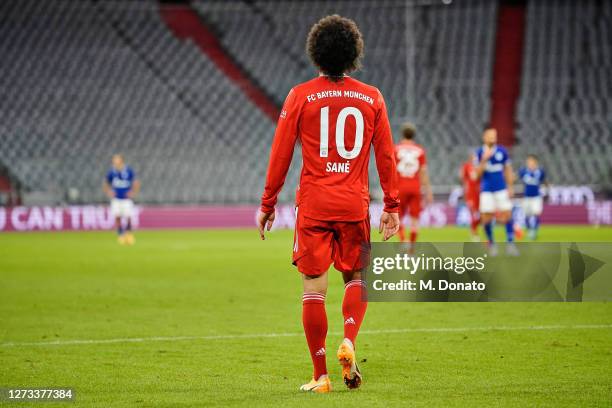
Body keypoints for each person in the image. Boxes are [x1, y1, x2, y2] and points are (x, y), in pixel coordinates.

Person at [257, 15, 399, 393]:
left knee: (313, 291)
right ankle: (349, 340)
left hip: (315, 206)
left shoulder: (299, 96)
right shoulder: (372, 97)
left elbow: (280, 154)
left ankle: (321, 376)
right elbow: (386, 156)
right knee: (355, 278)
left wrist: (268, 203)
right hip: (354, 204)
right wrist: (393, 205)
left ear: (316, 54)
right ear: (354, 54)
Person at [474, 128, 517, 256]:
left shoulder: (502, 151)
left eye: (495, 136)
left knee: (507, 215)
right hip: (486, 190)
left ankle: (510, 243)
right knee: (486, 218)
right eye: (490, 136)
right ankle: (492, 244)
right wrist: (484, 160)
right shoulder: (479, 152)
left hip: (501, 188)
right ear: (484, 137)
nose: (493, 138)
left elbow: (508, 170)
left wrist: (510, 187)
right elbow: (477, 175)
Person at [395, 122, 433, 246]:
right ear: (414, 135)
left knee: (396, 218)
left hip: (399, 187)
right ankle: (411, 249)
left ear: (402, 134)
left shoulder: (395, 149)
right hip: (415, 187)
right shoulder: (420, 151)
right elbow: (423, 172)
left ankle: (403, 240)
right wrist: (428, 191)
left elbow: (390, 170)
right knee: (415, 220)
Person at [103, 154, 140, 245]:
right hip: (116, 199)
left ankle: (129, 233)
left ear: (121, 160)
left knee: (128, 216)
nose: (115, 162)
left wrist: (133, 192)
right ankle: (120, 234)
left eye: (116, 160)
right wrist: (109, 192)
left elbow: (136, 182)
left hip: (126, 199)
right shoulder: (112, 172)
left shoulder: (128, 171)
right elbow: (106, 183)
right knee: (117, 216)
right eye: (114, 160)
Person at [519, 154, 548, 240]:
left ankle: (534, 231)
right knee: (527, 214)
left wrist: (547, 191)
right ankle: (529, 229)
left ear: (535, 162)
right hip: (527, 196)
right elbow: (520, 178)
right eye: (528, 162)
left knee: (536, 213)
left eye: (531, 161)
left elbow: (543, 180)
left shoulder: (540, 171)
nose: (530, 163)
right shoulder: (523, 171)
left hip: (536, 196)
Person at [460, 152, 481, 241]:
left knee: (480, 215)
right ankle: (474, 233)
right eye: (473, 157)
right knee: (474, 214)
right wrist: (465, 192)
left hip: (480, 193)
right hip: (471, 194)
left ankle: (475, 231)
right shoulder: (466, 166)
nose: (475, 158)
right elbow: (463, 179)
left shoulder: (480, 167)